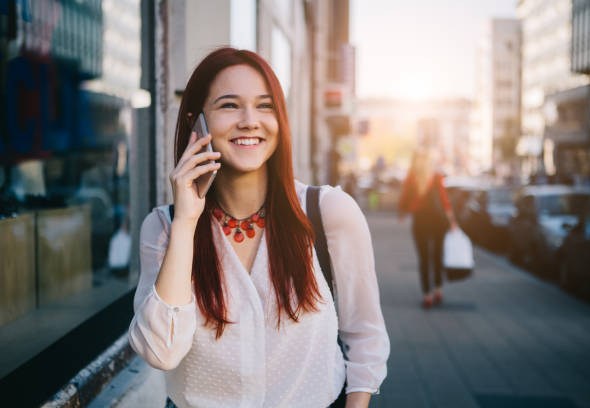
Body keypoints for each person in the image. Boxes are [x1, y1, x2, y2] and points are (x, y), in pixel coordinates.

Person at [128, 48, 389, 408]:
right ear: (196, 123)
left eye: (265, 106)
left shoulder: (328, 212)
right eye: (229, 105)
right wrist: (187, 220)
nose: (250, 120)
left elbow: (365, 338)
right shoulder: (163, 228)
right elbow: (161, 351)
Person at [398, 151, 457, 309]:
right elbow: (445, 201)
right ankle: (438, 290)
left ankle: (427, 295)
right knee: (437, 255)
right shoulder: (436, 177)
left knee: (424, 259)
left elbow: (404, 198)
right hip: (438, 221)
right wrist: (452, 221)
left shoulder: (412, 178)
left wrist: (402, 213)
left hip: (420, 221)